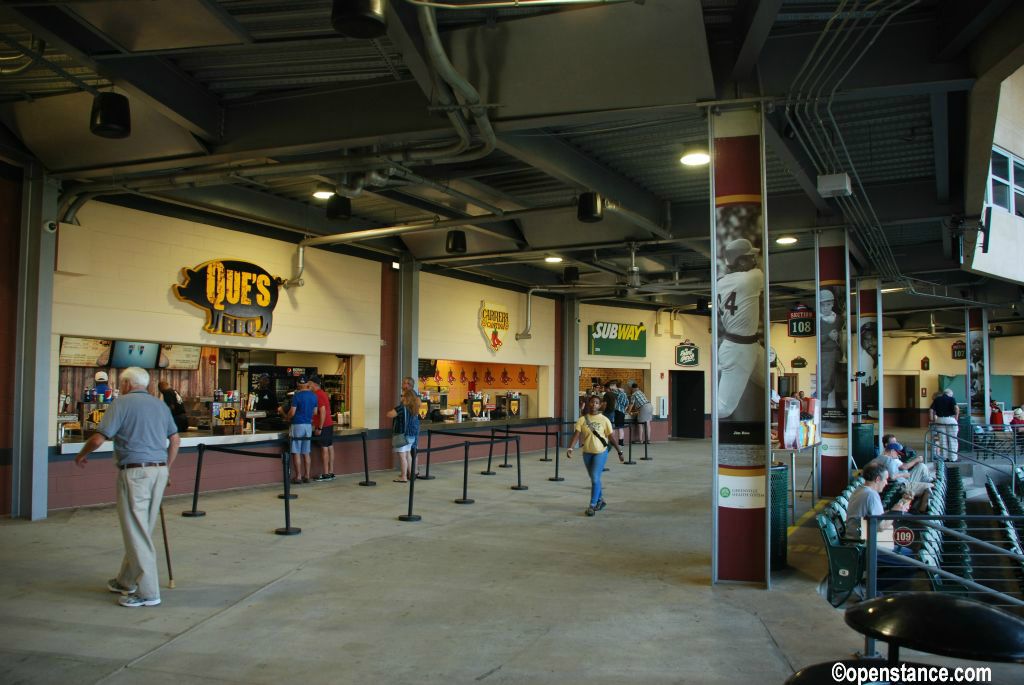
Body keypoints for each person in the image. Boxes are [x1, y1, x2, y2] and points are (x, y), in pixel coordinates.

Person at [73, 367, 180, 608]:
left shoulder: (122, 404)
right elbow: (175, 440)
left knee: (136, 532)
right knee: (142, 529)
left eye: (121, 383)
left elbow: (99, 438)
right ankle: (125, 580)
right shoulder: (160, 405)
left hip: (135, 473)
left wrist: (82, 454)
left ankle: (148, 592)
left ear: (127, 384)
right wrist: (167, 468)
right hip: (159, 471)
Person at [716, 238, 765, 419]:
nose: (754, 260)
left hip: (750, 345)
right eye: (750, 257)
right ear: (741, 261)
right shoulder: (751, 278)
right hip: (737, 348)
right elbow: (764, 273)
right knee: (723, 408)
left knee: (769, 383)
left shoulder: (721, 282)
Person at [565, 394, 624, 517]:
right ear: (588, 404)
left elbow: (611, 437)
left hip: (601, 453)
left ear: (600, 404)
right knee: (594, 478)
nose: (594, 405)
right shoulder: (582, 419)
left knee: (595, 478)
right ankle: (601, 500)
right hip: (587, 453)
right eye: (592, 402)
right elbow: (576, 434)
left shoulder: (605, 419)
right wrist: (570, 448)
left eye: (597, 403)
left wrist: (619, 451)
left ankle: (592, 505)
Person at [386, 377, 421, 483]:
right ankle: (412, 473)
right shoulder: (413, 404)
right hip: (412, 432)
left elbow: (390, 414)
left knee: (404, 455)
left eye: (404, 383)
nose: (402, 385)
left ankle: (406, 475)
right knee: (409, 453)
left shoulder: (405, 404)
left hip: (405, 432)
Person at [286, 377, 318, 484]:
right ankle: (307, 475)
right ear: (307, 385)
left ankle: (298, 476)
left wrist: (286, 417)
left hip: (297, 424)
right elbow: (315, 412)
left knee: (296, 452)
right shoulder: (314, 396)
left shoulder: (297, 396)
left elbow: (292, 412)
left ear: (299, 384)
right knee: (306, 452)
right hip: (308, 426)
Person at [309, 375, 336, 481]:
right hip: (329, 424)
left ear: (315, 385)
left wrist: (319, 427)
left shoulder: (317, 395)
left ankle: (325, 474)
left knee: (324, 448)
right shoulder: (323, 393)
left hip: (324, 425)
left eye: (310, 384)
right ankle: (331, 472)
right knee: (330, 446)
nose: (308, 386)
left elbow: (323, 411)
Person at [929, 388, 960, 461]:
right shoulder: (951, 399)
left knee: (942, 440)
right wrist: (956, 417)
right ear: (950, 394)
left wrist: (932, 419)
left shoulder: (937, 399)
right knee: (952, 439)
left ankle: (944, 457)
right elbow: (956, 408)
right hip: (950, 419)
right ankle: (953, 458)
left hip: (939, 420)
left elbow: (931, 410)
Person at [605, 380, 628, 444]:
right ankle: (621, 442)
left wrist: (612, 389)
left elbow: (612, 397)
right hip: (622, 412)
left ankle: (613, 442)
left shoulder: (616, 393)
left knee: (614, 427)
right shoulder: (624, 394)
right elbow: (627, 403)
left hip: (617, 411)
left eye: (612, 385)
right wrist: (624, 409)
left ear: (615, 385)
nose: (610, 387)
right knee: (621, 428)